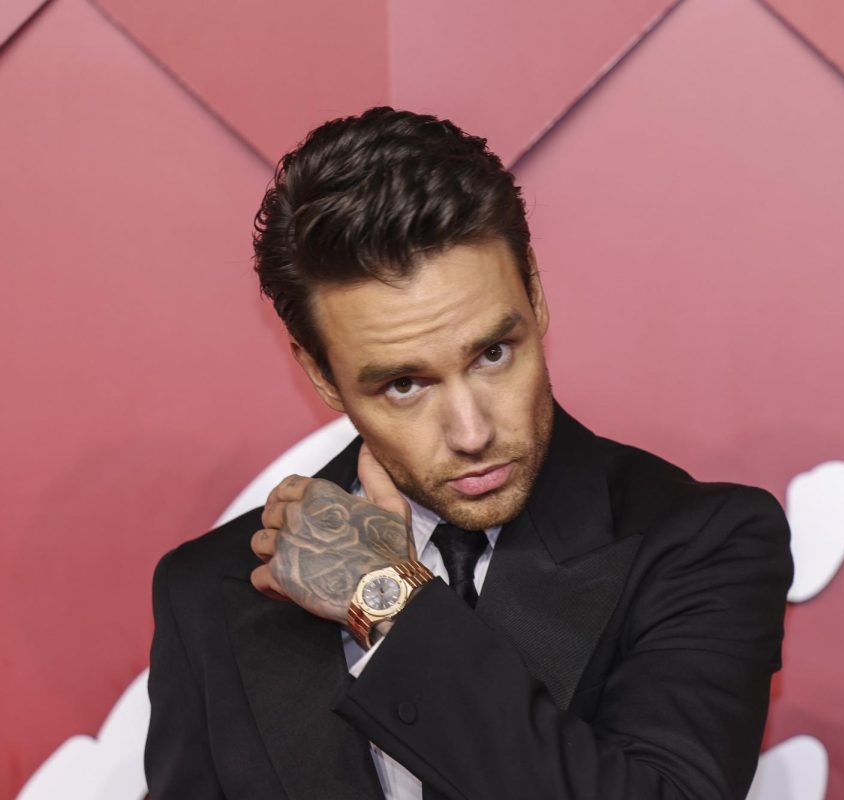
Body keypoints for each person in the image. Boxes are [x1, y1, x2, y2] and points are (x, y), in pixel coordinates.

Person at [144, 106, 793, 800]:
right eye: (403, 384)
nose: (471, 430)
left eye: (492, 354)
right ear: (322, 376)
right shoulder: (209, 594)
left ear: (536, 298)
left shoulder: (700, 543)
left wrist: (385, 600)